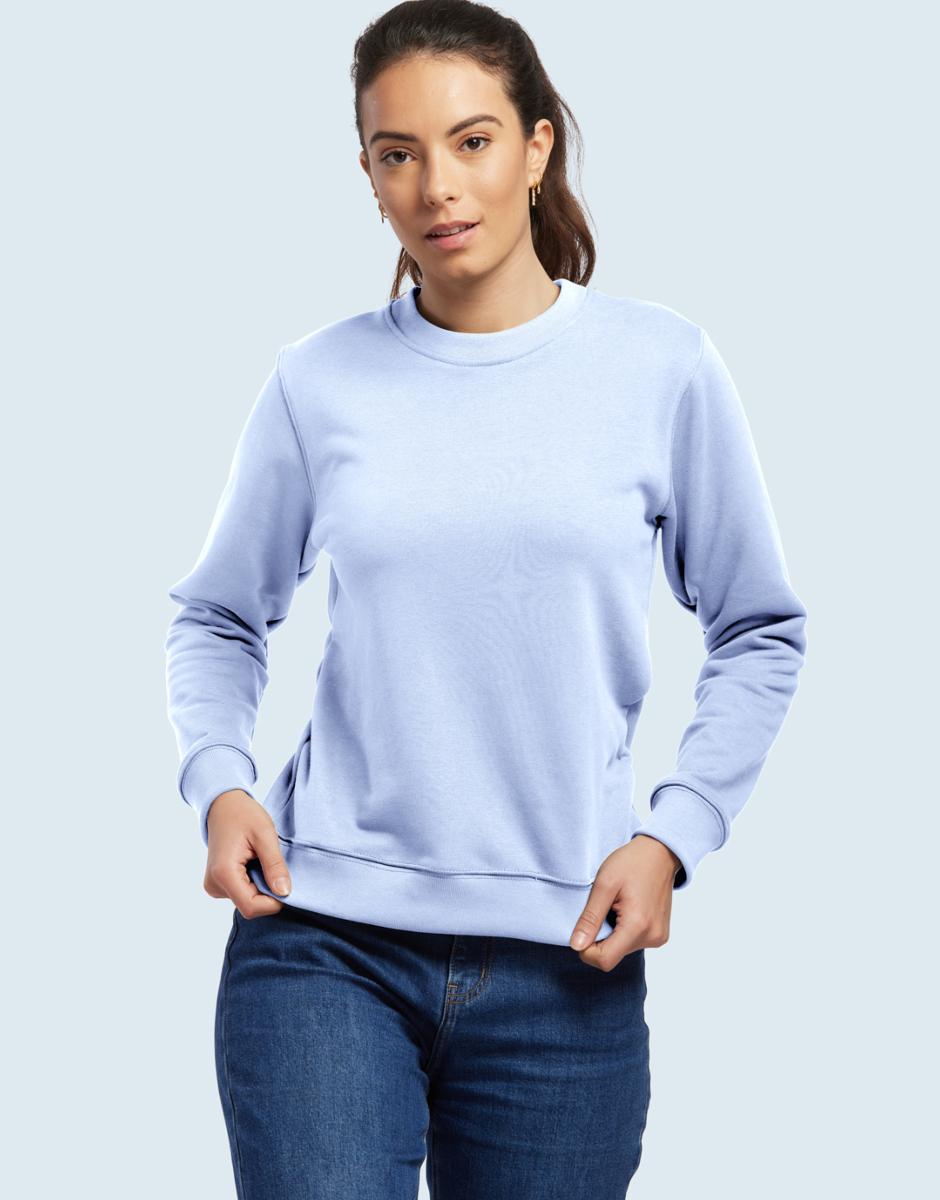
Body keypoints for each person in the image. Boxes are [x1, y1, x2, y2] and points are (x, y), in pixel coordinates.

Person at [163, 2, 808, 1195]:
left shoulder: (661, 368)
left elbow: (759, 628)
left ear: (537, 145)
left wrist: (674, 836)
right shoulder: (317, 382)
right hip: (323, 940)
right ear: (368, 176)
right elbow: (217, 616)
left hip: (568, 960)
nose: (437, 187)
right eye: (397, 154)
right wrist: (219, 780)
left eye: (471, 142)